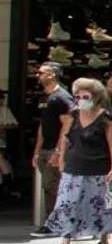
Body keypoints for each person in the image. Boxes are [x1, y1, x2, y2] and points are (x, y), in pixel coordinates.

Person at [41, 77, 112, 244]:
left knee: (100, 205)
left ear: (95, 98)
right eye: (78, 96)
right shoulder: (74, 115)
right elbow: (65, 137)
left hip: (98, 167)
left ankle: (104, 240)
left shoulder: (105, 118)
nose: (80, 100)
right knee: (67, 203)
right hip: (73, 166)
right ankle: (64, 243)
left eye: (85, 97)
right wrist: (60, 158)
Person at [31, 62, 76, 233]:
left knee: (53, 186)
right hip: (46, 149)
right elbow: (43, 125)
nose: (38, 75)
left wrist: (59, 151)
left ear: (52, 75)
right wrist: (37, 150)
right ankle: (55, 221)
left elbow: (67, 125)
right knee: (50, 187)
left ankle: (55, 222)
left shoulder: (61, 97)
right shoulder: (45, 97)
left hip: (55, 149)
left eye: (41, 72)